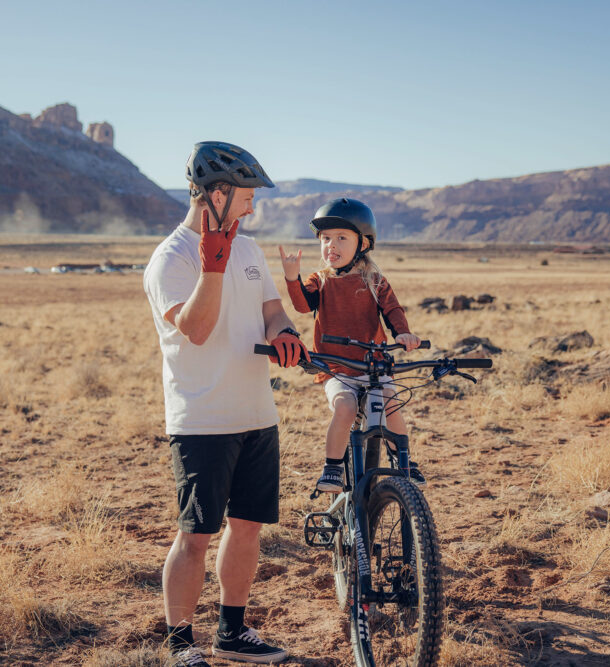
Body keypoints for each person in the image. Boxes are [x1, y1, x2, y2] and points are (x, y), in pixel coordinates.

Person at [143, 141, 308, 666]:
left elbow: (273, 312)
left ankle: (231, 634)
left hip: (257, 413)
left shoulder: (249, 249)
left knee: (248, 528)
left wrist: (285, 334)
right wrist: (210, 268)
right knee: (195, 536)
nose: (252, 206)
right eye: (245, 197)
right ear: (216, 194)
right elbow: (195, 329)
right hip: (203, 419)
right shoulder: (170, 258)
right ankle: (180, 643)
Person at [278, 197, 425, 493]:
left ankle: (403, 459)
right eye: (326, 238)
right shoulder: (319, 279)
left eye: (341, 238)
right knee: (344, 407)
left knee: (390, 400)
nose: (331, 245)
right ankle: (332, 468)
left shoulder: (374, 280)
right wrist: (292, 278)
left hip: (372, 366)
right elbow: (303, 306)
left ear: (363, 244)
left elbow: (393, 311)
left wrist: (403, 334)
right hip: (337, 369)